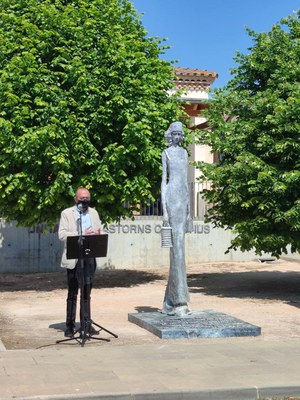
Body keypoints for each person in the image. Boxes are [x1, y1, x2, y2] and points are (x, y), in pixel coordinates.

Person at [58, 187, 101, 337]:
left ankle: (86, 324)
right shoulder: (67, 213)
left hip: (89, 258)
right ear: (75, 199)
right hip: (74, 259)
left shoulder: (94, 213)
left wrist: (96, 235)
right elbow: (62, 235)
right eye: (82, 198)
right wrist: (80, 234)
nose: (85, 201)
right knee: (72, 293)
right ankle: (70, 326)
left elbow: (98, 231)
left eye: (87, 198)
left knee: (86, 294)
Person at [161, 122, 193, 317]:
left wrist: (189, 210)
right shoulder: (167, 153)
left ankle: (169, 302)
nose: (179, 138)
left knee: (180, 252)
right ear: (170, 135)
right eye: (176, 134)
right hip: (172, 201)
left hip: (183, 201)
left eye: (181, 135)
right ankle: (180, 301)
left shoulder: (184, 154)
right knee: (177, 252)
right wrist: (164, 211)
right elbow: (164, 182)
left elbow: (186, 183)